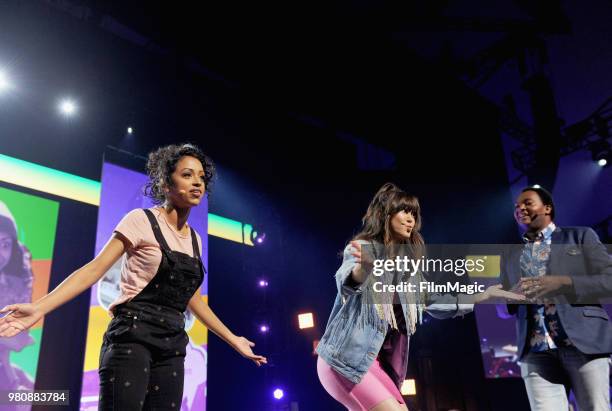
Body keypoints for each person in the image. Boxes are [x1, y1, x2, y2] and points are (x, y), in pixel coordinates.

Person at [0, 143, 267, 410]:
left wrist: (233, 339)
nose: (197, 182)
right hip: (132, 337)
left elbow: (192, 300)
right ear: (165, 183)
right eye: (187, 175)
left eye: (201, 177)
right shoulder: (139, 220)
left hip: (173, 346)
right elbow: (94, 270)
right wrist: (38, 308)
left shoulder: (195, 240)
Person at [316, 183, 524, 411]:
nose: (410, 219)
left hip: (373, 365)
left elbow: (434, 302)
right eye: (404, 211)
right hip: (344, 359)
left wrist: (482, 296)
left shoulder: (409, 271)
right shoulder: (364, 248)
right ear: (386, 214)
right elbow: (346, 284)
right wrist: (363, 270)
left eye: (414, 214)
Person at [500, 185, 612, 411]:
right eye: (516, 206)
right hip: (535, 352)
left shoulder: (579, 236)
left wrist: (564, 282)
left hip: (583, 344)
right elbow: (505, 308)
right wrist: (512, 295)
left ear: (547, 208)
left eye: (527, 203)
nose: (520, 208)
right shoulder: (511, 254)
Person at [0, 207, 35, 397]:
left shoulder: (12, 282)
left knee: (52, 396)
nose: (0, 253)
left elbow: (18, 338)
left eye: (5, 245)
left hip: (7, 375)